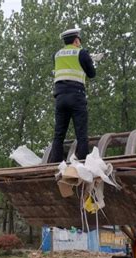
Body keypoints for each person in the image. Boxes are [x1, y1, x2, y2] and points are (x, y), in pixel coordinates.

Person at [50, 28, 98, 163]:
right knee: (81, 132)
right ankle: (83, 161)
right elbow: (92, 74)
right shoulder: (81, 53)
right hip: (76, 96)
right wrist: (89, 59)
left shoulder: (56, 55)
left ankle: (55, 162)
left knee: (59, 133)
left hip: (60, 97)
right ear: (76, 40)